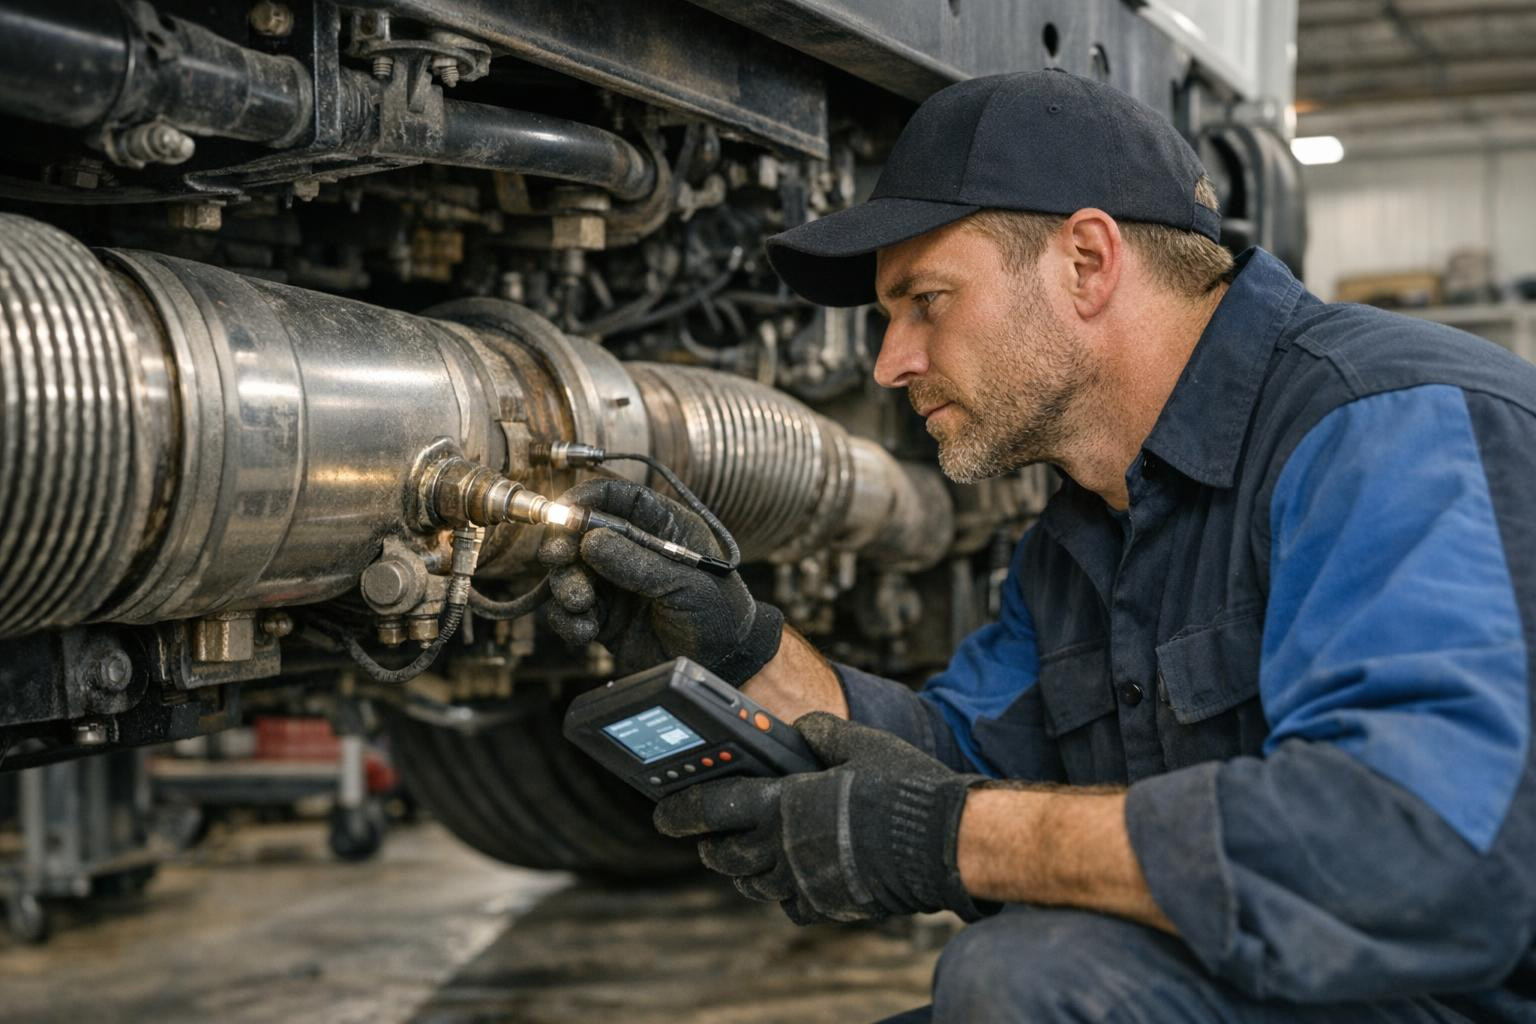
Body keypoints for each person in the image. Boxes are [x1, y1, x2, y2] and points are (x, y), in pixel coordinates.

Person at [538, 70, 1536, 1022]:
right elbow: (954, 760)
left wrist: (952, 838)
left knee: (1028, 981)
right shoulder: (1081, 534)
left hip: (1463, 992)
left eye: (926, 301)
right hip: (1289, 984)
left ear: (1087, 262)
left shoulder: (1382, 427)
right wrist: (742, 650)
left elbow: (1426, 849)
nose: (890, 364)